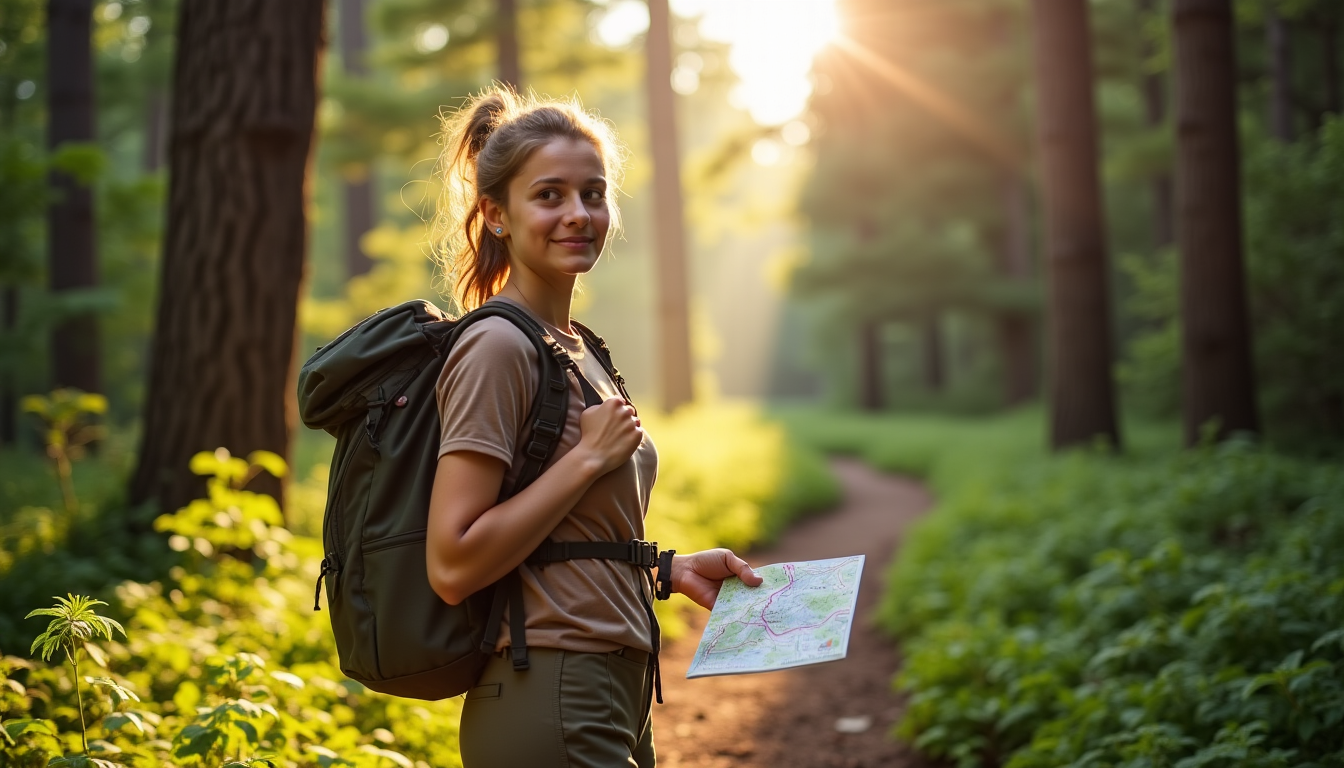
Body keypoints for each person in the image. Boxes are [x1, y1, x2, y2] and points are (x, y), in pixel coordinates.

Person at [422, 86, 764, 768]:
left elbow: (564, 538)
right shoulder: (497, 347)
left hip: (612, 684)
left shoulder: (577, 348)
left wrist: (667, 568)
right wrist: (584, 460)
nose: (579, 213)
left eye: (594, 193)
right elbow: (452, 563)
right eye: (549, 195)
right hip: (550, 688)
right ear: (497, 215)